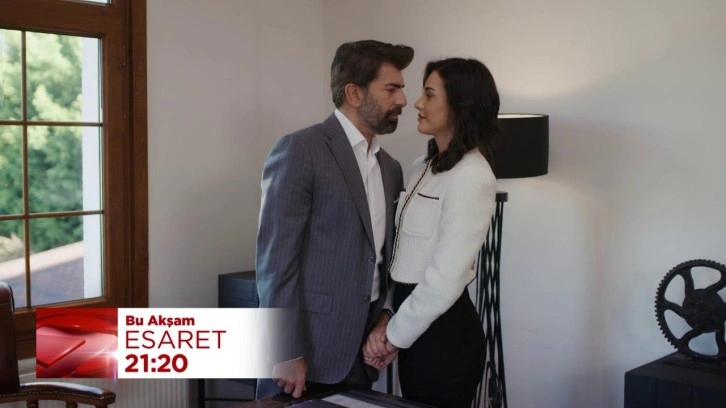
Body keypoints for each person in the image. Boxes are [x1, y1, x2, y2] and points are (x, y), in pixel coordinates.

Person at [255, 40, 414, 399]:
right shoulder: (300, 150)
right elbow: (275, 262)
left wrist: (387, 317)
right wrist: (284, 350)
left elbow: (386, 260)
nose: (403, 100)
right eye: (391, 89)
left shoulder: (391, 168)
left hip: (361, 356)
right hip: (302, 357)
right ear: (354, 93)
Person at [363, 57, 500, 408]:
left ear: (459, 105)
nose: (417, 103)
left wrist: (394, 335)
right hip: (414, 329)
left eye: (429, 94)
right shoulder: (420, 167)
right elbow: (401, 259)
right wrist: (389, 317)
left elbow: (445, 279)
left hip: (445, 338)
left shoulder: (473, 176)